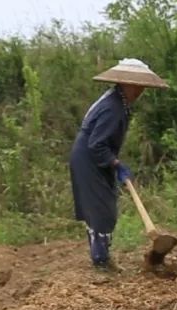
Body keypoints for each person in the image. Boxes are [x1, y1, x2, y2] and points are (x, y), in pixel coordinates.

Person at [68, 58, 169, 271]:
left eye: (143, 87)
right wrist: (115, 163)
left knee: (104, 206)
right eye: (138, 86)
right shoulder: (113, 106)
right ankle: (101, 261)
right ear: (127, 84)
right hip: (88, 157)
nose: (141, 91)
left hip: (92, 155)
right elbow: (97, 144)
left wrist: (113, 162)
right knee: (102, 210)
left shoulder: (118, 101)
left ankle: (102, 258)